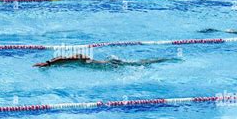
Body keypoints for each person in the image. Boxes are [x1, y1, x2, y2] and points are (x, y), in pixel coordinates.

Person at [33, 54, 179, 68]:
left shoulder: (82, 60)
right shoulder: (77, 62)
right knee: (138, 63)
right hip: (110, 64)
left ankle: (165, 59)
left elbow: (74, 57)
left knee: (140, 64)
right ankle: (164, 59)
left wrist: (49, 63)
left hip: (111, 64)